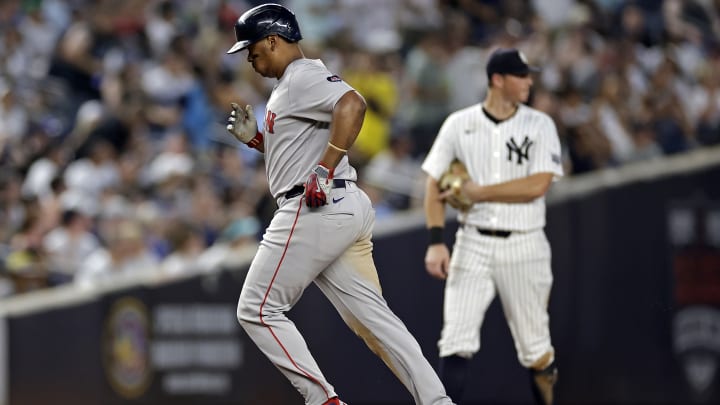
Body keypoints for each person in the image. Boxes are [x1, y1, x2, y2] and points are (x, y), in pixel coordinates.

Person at [224, 4, 455, 405]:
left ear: (274, 40)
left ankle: (323, 401)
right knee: (374, 322)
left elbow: (353, 104)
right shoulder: (290, 85)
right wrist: (259, 142)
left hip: (316, 206)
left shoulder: (302, 76)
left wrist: (323, 169)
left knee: (257, 309)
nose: (249, 57)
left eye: (253, 48)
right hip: (339, 206)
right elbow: (298, 151)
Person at [421, 48, 564, 405]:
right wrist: (436, 241)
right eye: (521, 75)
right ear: (497, 80)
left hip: (525, 243)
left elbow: (538, 185)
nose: (529, 81)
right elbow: (433, 183)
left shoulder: (539, 124)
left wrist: (480, 192)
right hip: (473, 242)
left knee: (536, 350)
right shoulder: (459, 123)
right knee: (455, 340)